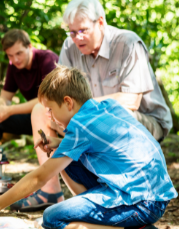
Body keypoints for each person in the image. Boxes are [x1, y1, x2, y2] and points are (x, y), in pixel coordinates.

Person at [0, 65, 177, 229]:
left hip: (143, 203)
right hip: (152, 192)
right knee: (67, 160)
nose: (51, 118)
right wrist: (59, 144)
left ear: (68, 102)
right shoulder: (105, 106)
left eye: (51, 110)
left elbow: (39, 178)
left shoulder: (80, 127)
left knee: (53, 219)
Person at [0, 29, 64, 212]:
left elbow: (46, 99)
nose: (15, 59)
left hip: (55, 118)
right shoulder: (13, 67)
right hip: (33, 118)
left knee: (35, 110)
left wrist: (8, 110)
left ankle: (50, 188)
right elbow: (5, 96)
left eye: (19, 53)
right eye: (11, 56)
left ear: (30, 47)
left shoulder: (47, 59)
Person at [58, 0, 172, 142]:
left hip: (144, 120)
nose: (77, 38)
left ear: (100, 23)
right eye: (73, 32)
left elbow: (131, 101)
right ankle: (56, 162)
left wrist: (84, 106)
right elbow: (62, 94)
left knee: (113, 115)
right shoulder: (70, 46)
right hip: (93, 119)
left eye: (83, 30)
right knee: (46, 113)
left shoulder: (128, 43)